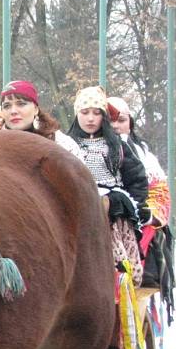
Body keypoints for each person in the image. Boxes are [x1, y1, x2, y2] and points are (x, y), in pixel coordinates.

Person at [66, 86, 150, 286]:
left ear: (104, 116)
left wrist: (133, 209)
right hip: (79, 215)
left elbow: (137, 180)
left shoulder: (119, 146)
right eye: (85, 113)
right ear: (77, 114)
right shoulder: (67, 145)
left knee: (118, 274)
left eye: (96, 113)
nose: (90, 119)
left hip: (115, 218)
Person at [107, 96, 174, 313]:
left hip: (138, 224)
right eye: (111, 121)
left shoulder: (146, 156)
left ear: (131, 123)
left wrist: (147, 215)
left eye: (122, 120)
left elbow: (160, 194)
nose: (116, 126)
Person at [0, 80, 82, 159]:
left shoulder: (62, 145)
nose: (13, 111)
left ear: (35, 109)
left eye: (21, 104)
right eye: (7, 106)